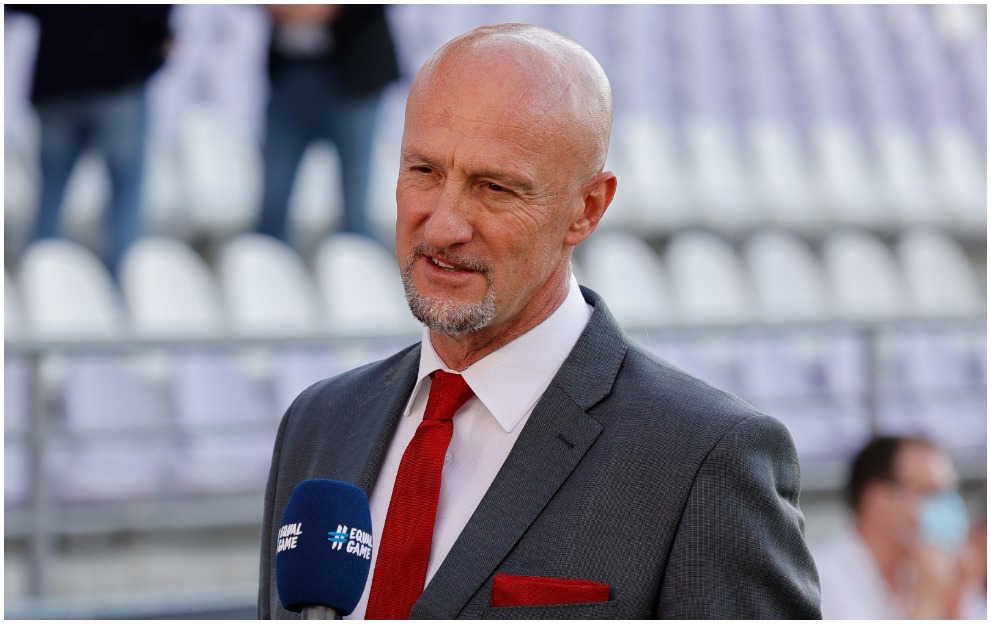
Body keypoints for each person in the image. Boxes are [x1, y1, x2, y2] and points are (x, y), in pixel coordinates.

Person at [258, 23, 821, 619]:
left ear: (587, 210)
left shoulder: (705, 457)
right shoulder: (319, 422)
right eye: (424, 171)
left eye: (494, 188)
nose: (443, 226)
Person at [11, 5, 172, 277]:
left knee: (50, 197)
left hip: (59, 80)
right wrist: (157, 42)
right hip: (116, 77)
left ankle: (37, 280)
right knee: (124, 197)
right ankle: (124, 285)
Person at [258, 4, 399, 251]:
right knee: (273, 203)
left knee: (356, 205)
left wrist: (330, 7)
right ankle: (266, 265)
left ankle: (357, 265)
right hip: (289, 71)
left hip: (354, 73)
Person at [814, 435, 974, 619]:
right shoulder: (820, 583)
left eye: (950, 495)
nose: (947, 507)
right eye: (930, 493)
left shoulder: (923, 573)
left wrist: (955, 605)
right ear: (878, 500)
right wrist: (926, 606)